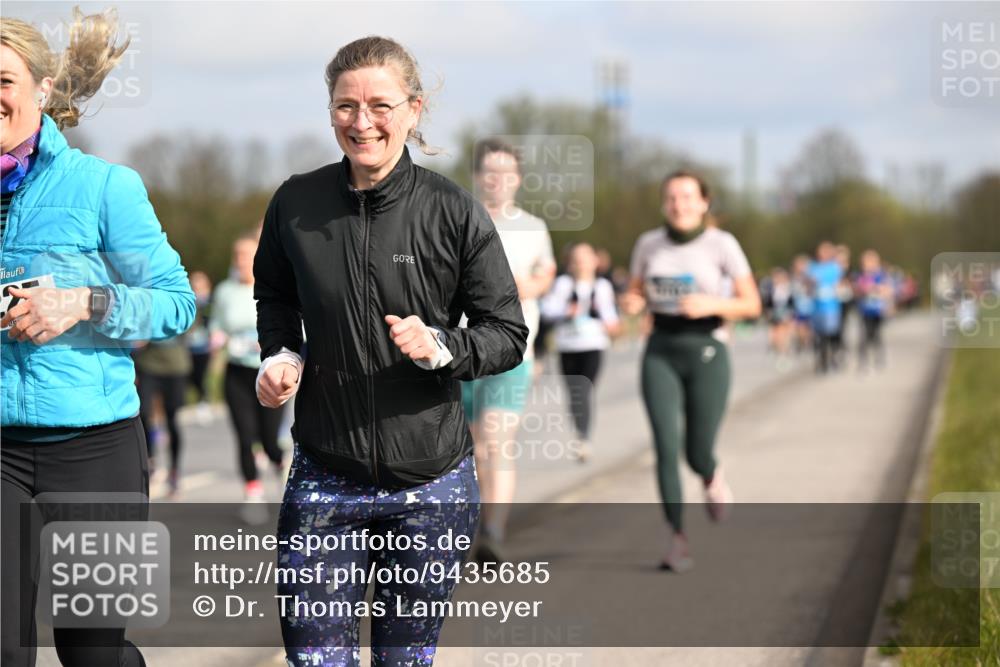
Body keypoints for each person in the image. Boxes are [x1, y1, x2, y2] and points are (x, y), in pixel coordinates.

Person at [253, 36, 527, 666]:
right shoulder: (295, 203)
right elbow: (275, 295)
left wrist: (440, 347)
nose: (362, 121)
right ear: (330, 112)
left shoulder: (452, 210)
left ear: (413, 109)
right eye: (345, 106)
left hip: (430, 481)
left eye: (379, 105)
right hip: (326, 472)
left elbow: (506, 332)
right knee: (313, 659)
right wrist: (280, 356)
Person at [0, 10, 194, 667]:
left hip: (96, 450)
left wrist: (84, 301)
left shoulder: (105, 186)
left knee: (92, 652)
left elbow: (175, 304)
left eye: (2, 79)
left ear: (42, 89)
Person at [622, 170, 760, 572]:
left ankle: (712, 475)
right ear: (664, 204)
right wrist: (631, 302)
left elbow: (751, 304)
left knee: (696, 451)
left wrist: (713, 305)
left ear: (703, 203)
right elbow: (635, 291)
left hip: (707, 350)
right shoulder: (648, 244)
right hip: (660, 349)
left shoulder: (722, 244)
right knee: (665, 447)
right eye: (672, 198)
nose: (679, 205)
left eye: (687, 197)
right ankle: (677, 539)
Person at [462, 138, 555, 562]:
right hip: (459, 353)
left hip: (511, 352)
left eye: (508, 174)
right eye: (491, 173)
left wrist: (524, 285)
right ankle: (462, 528)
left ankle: (492, 534)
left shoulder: (533, 228)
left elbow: (545, 276)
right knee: (464, 449)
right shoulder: (458, 218)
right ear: (479, 177)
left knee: (494, 443)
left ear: (518, 180)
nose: (499, 181)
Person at [210, 232, 287, 511]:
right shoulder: (224, 291)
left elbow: (295, 327)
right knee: (244, 435)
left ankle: (280, 463)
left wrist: (267, 339)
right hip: (237, 372)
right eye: (238, 256)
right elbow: (217, 322)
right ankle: (253, 493)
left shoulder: (275, 287)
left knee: (268, 440)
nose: (242, 261)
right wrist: (216, 335)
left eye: (247, 255)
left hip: (269, 372)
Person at [540, 242, 621, 462]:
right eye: (576, 259)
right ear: (570, 263)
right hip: (567, 346)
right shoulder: (563, 285)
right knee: (575, 393)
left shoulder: (602, 286)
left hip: (593, 345)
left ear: (596, 261)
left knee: (584, 390)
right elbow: (546, 310)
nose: (581, 263)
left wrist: (613, 325)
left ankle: (583, 438)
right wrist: (566, 311)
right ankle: (580, 432)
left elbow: (610, 314)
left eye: (585, 258)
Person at [133, 333, 192, 498]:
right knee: (143, 414)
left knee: (171, 420)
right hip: (148, 365)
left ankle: (174, 471)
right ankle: (150, 461)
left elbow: (188, 324)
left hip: (175, 367)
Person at [808, 241, 844, 374]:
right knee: (819, 337)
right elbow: (807, 283)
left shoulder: (835, 267)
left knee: (831, 335)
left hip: (831, 307)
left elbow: (839, 282)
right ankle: (822, 361)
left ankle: (834, 357)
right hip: (817, 307)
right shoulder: (812, 267)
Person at [854, 249, 892, 371]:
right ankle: (863, 361)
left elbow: (888, 291)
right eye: (866, 263)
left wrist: (877, 289)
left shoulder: (881, 275)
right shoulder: (860, 276)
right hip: (864, 310)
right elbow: (856, 291)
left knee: (877, 335)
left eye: (871, 262)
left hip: (878, 310)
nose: (868, 266)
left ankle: (879, 358)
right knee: (863, 336)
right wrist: (862, 290)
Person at [186, 270, 214, 422]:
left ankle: (204, 401)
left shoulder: (211, 303)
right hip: (189, 347)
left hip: (205, 347)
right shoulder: (189, 302)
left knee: (202, 376)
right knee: (191, 376)